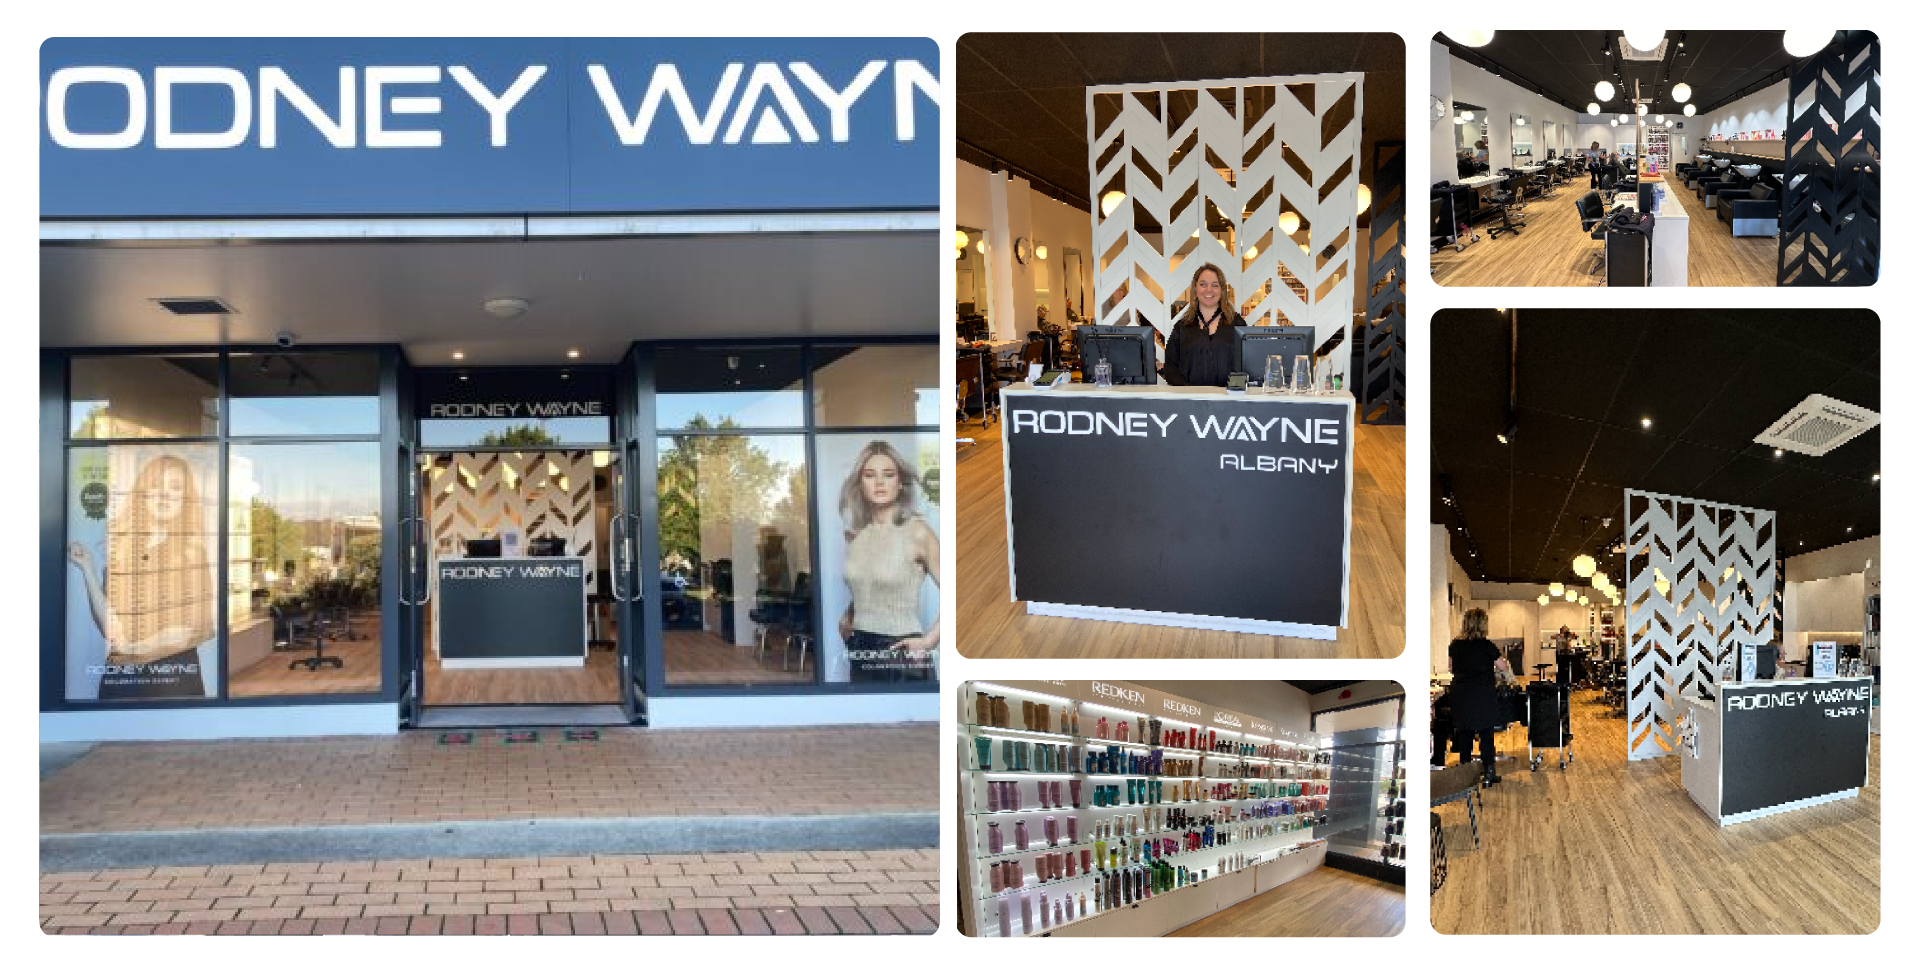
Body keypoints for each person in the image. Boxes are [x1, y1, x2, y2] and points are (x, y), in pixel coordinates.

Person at [66, 452, 216, 700]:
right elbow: (110, 629)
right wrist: (88, 570)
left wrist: (135, 647)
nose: (165, 494)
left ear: (185, 498)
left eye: (175, 488)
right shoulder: (123, 549)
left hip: (173, 680)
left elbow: (189, 629)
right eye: (155, 485)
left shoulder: (192, 553)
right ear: (142, 494)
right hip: (124, 680)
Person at [837, 441, 940, 683]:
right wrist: (848, 616)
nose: (880, 482)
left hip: (901, 651)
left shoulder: (918, 533)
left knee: (907, 721)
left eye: (888, 474)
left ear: (900, 482)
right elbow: (868, 584)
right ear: (860, 485)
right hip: (860, 647)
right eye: (870, 475)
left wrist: (929, 641)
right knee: (864, 719)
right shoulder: (856, 535)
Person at [1158, 262, 1244, 387]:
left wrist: (1231, 393)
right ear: (1195, 288)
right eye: (1203, 284)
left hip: (1228, 402)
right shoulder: (1182, 327)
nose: (1209, 290)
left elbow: (1247, 365)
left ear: (1222, 290)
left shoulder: (1237, 324)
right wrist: (1189, 395)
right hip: (1190, 402)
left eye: (1215, 285)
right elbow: (1171, 368)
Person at [1448, 607, 1504, 787]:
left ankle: (1466, 775)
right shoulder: (1487, 646)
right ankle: (1489, 774)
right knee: (1486, 736)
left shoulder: (1455, 645)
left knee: (1465, 735)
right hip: (1482, 695)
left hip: (1461, 695)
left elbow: (1451, 668)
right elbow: (1503, 667)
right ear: (1483, 624)